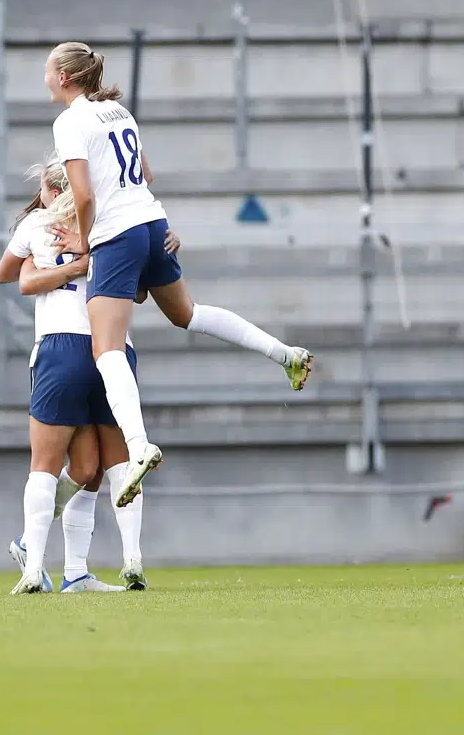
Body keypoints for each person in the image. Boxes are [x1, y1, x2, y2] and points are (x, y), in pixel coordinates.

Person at [45, 40, 314, 509]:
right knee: (186, 313)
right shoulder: (117, 112)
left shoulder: (70, 120)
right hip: (152, 223)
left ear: (64, 78)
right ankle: (284, 353)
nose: (45, 77)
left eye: (47, 69)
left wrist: (86, 242)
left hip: (118, 234)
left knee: (105, 347)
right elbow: (145, 173)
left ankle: (139, 444)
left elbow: (84, 197)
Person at [0, 156, 160, 593]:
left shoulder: (46, 225)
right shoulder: (106, 227)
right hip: (90, 344)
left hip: (80, 348)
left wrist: (46, 264)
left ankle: (77, 570)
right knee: (86, 465)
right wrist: (76, 263)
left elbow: (11, 275)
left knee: (89, 467)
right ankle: (45, 564)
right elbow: (142, 292)